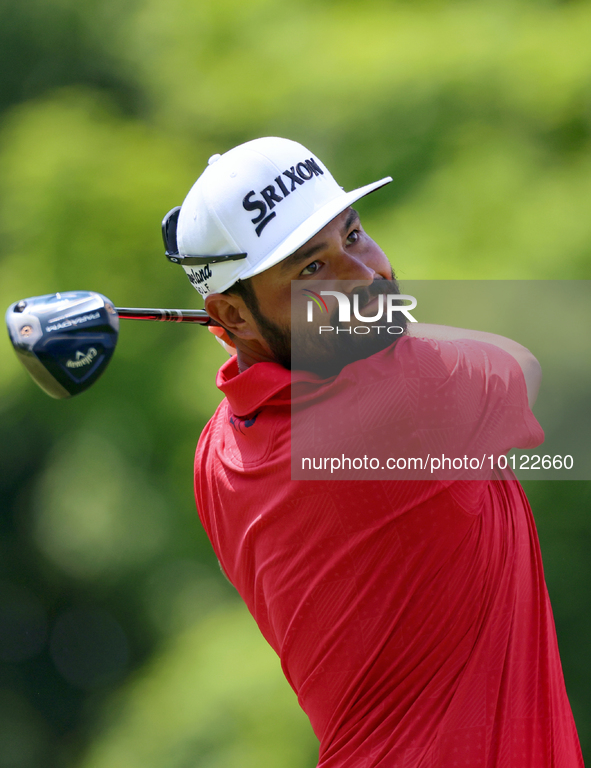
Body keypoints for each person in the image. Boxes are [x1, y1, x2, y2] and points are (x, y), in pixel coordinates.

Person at [164, 137, 583, 766]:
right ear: (230, 312)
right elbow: (521, 364)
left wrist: (259, 329)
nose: (363, 273)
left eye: (353, 235)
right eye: (311, 269)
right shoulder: (407, 402)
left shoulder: (215, 453)